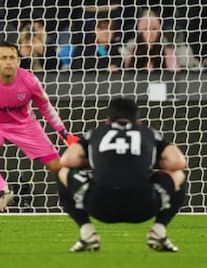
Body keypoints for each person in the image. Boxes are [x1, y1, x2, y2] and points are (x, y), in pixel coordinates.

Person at [57, 97, 187, 253]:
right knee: (178, 175)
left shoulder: (96, 133)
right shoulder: (149, 133)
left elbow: (67, 160)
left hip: (100, 207)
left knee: (62, 172)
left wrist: (98, 160)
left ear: (108, 119)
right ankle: (158, 231)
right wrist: (146, 161)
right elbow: (178, 162)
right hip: (143, 208)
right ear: (137, 119)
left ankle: (87, 233)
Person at [0, 41, 77, 212]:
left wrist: (64, 134)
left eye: (12, 58)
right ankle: (4, 190)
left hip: (25, 125)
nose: (8, 62)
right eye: (3, 58)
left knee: (57, 167)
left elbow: (46, 107)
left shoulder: (29, 80)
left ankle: (83, 198)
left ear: (18, 60)